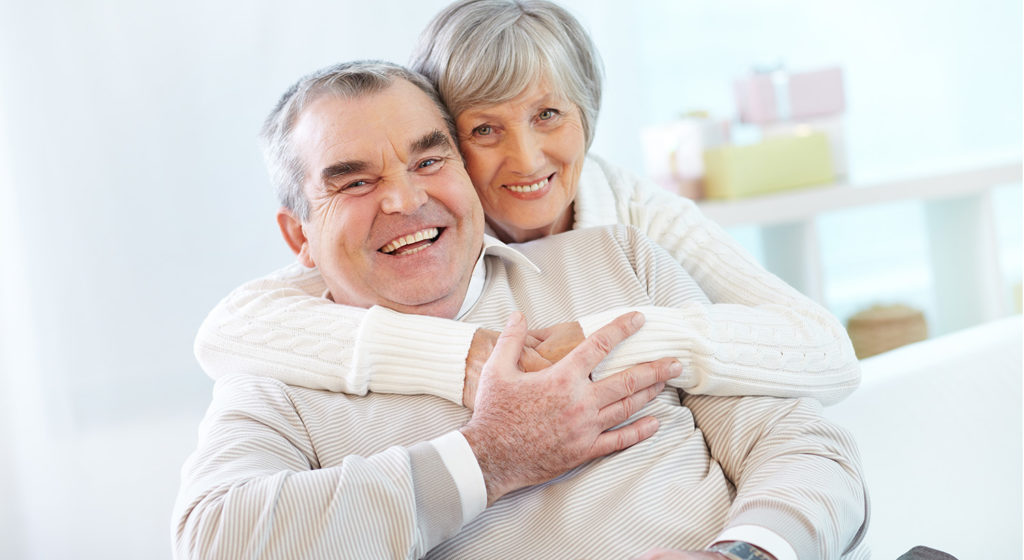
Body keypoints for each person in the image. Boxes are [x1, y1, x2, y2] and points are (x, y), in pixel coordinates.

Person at [173, 60, 868, 559]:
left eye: (427, 160)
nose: (404, 200)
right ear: (299, 236)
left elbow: (803, 447)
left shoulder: (621, 259)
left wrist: (747, 554)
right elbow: (214, 541)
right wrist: (489, 457)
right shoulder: (277, 375)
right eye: (354, 181)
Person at [192, 0, 860, 410]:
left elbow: (827, 349)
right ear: (445, 140)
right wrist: (462, 358)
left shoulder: (630, 210)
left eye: (548, 115)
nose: (528, 158)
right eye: (485, 130)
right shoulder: (419, 234)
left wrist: (624, 340)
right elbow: (227, 331)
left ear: (586, 117)